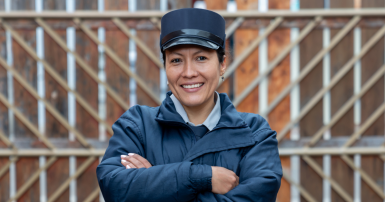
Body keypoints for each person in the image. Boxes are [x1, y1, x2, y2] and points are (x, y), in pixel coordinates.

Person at [96, 8, 282, 202]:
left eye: (201, 58)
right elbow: (114, 188)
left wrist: (158, 185)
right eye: (176, 60)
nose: (189, 72)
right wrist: (200, 177)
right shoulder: (136, 126)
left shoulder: (254, 134)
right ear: (165, 67)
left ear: (222, 64)